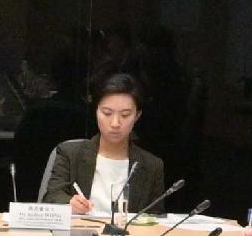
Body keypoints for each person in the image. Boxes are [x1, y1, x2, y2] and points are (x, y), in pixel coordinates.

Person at [37, 74, 166, 217]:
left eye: (125, 115)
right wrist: (69, 204)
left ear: (137, 116)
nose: (115, 123)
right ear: (96, 111)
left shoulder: (152, 166)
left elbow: (156, 219)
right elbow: (52, 197)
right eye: (107, 113)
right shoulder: (70, 153)